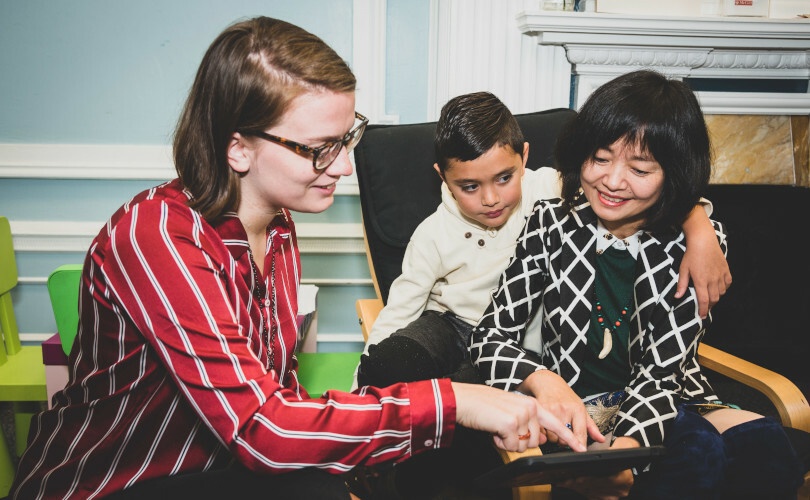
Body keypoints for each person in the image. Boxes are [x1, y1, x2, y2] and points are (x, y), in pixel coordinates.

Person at [9, 17, 584, 500]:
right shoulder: (158, 237)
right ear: (238, 147)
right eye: (319, 149)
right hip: (110, 486)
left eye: (345, 139)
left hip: (214, 473)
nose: (343, 166)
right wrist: (453, 400)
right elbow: (264, 431)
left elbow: (274, 399)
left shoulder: (278, 230)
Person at [470, 69, 804, 499]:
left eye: (640, 168)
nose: (612, 181)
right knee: (697, 453)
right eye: (600, 159)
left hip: (670, 393)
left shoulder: (695, 245)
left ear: (673, 174)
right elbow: (489, 335)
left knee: (766, 447)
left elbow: (662, 373)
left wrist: (629, 448)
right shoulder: (549, 225)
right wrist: (541, 378)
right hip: (581, 406)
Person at [356, 90, 731, 390]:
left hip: (521, 337)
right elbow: (399, 310)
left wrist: (699, 227)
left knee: (473, 397)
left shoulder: (552, 188)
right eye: (469, 186)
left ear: (524, 157)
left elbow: (635, 197)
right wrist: (363, 382)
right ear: (443, 176)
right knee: (392, 363)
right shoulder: (432, 234)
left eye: (504, 178)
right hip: (451, 324)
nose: (491, 198)